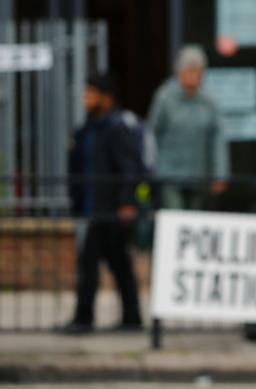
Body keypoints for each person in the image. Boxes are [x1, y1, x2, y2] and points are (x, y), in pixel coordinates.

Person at [62, 74, 144, 334]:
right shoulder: (86, 130)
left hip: (111, 209)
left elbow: (131, 168)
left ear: (106, 98)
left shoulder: (118, 128)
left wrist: (126, 202)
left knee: (112, 265)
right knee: (102, 264)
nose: (86, 98)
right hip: (91, 208)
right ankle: (124, 318)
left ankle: (90, 319)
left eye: (91, 93)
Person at [147, 46, 227, 210]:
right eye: (187, 71)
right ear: (179, 72)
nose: (191, 77)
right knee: (174, 215)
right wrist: (152, 168)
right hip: (169, 173)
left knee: (193, 219)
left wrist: (219, 173)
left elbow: (217, 138)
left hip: (198, 174)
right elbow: (152, 133)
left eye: (196, 72)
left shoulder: (208, 101)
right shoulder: (165, 97)